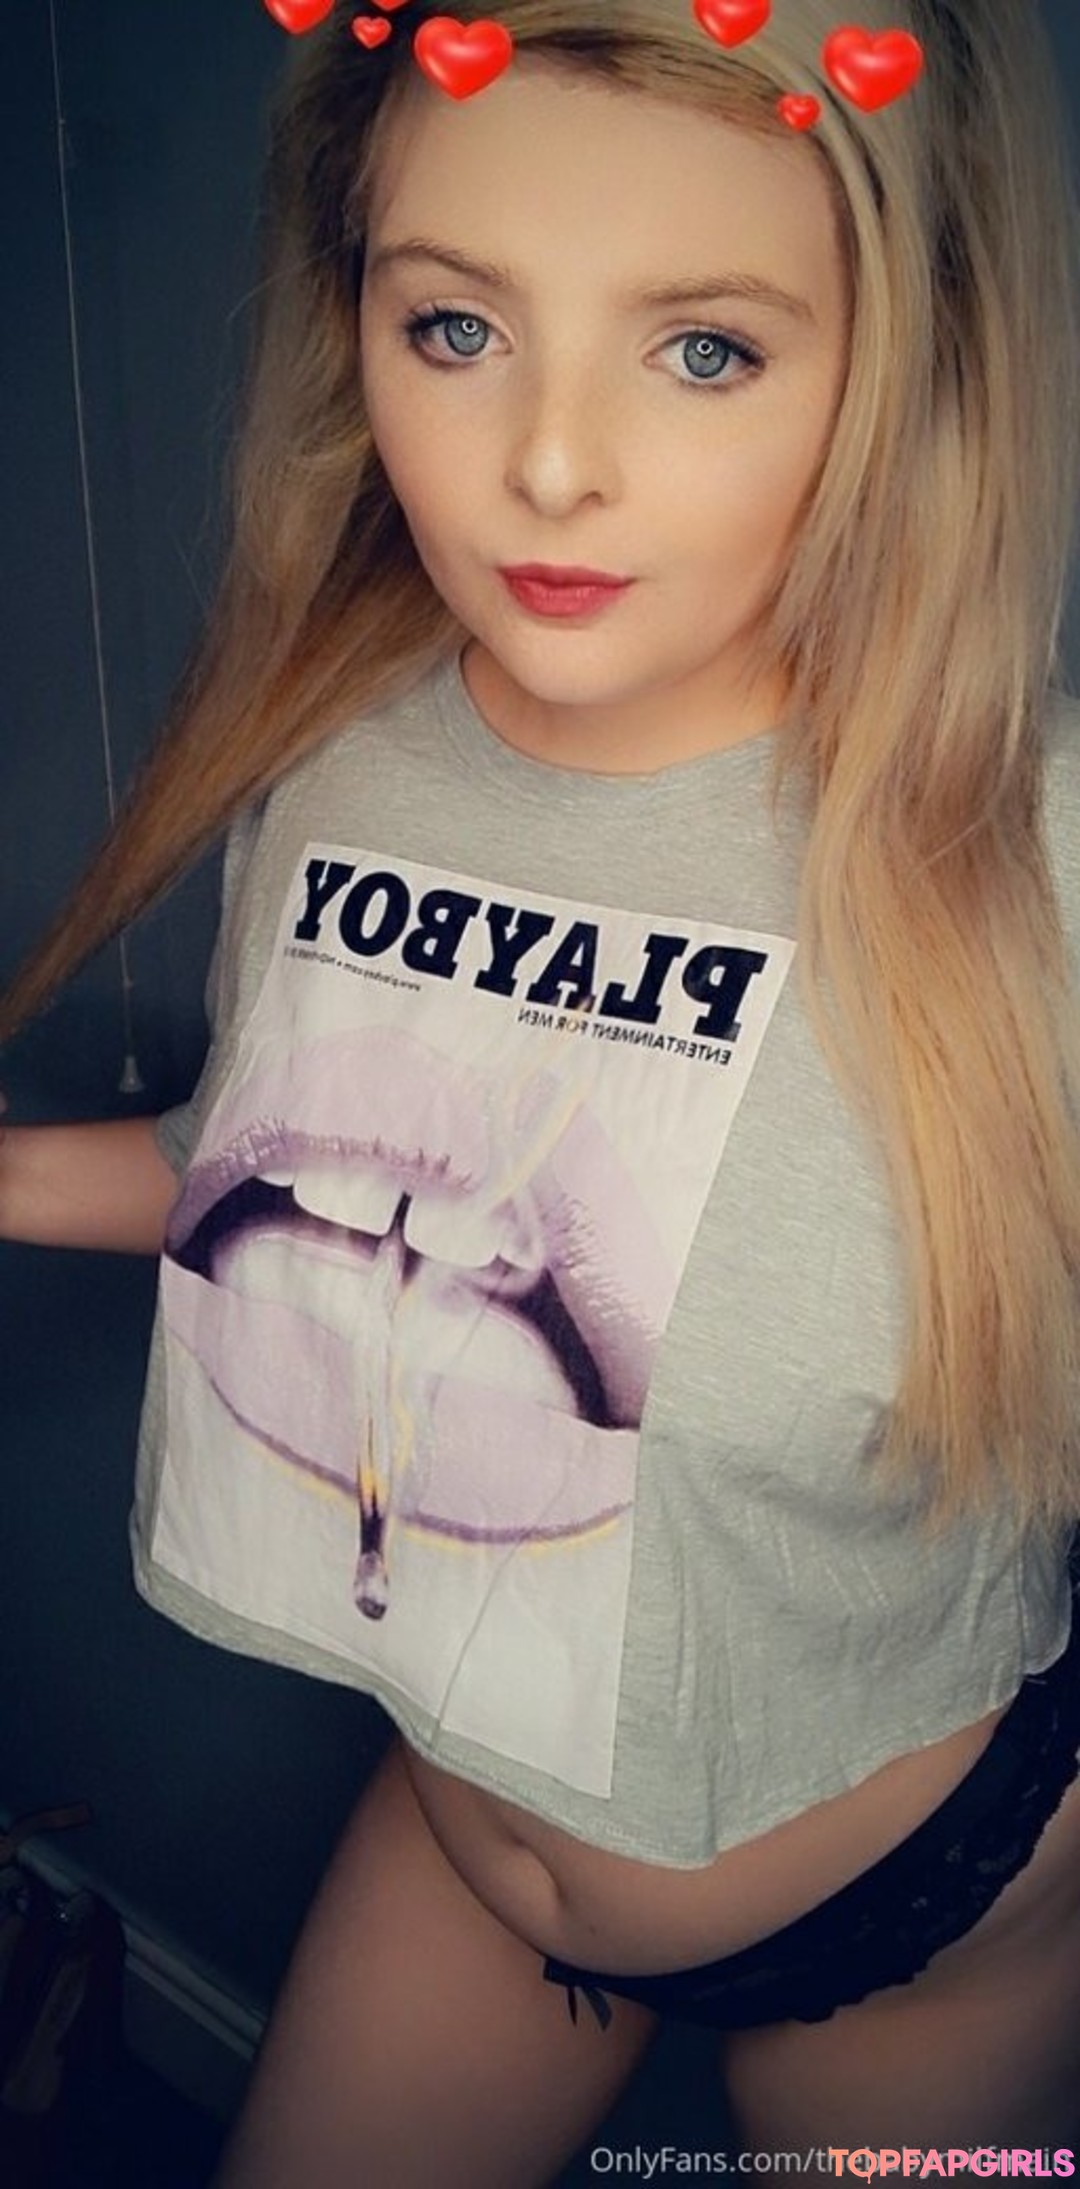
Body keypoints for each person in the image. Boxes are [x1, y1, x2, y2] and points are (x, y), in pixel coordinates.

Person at [3, 0, 1080, 2179]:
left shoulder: (1034, 862)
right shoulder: (348, 756)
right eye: (459, 326)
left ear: (905, 366)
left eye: (706, 348)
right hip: (470, 1823)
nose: (553, 464)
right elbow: (258, 1173)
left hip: (925, 1906)